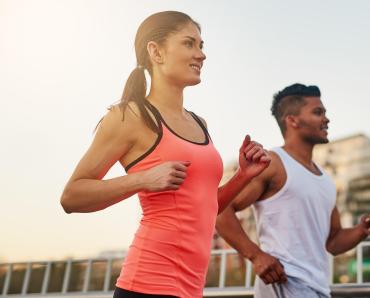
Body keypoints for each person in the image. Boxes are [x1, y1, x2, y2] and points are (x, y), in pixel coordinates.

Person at [60, 11, 270, 298]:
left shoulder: (199, 123)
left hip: (191, 288)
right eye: (189, 44)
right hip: (147, 284)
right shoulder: (129, 116)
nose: (202, 54)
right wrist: (143, 179)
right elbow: (72, 196)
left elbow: (203, 206)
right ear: (156, 52)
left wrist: (244, 176)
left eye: (201, 45)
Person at [216, 83, 370, 298]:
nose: (326, 119)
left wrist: (362, 231)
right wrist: (256, 256)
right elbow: (220, 209)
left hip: (319, 288)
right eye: (318, 112)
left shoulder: (325, 180)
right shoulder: (273, 163)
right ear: (292, 120)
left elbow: (333, 241)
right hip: (284, 282)